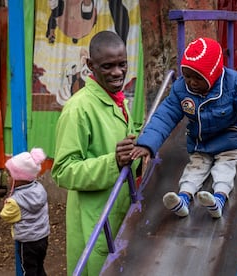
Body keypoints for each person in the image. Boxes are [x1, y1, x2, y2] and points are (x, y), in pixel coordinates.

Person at [130, 37, 237, 219]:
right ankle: (183, 199)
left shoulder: (233, 84)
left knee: (224, 169)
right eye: (187, 76)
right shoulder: (181, 89)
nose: (192, 82)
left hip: (228, 140)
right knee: (194, 169)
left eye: (197, 78)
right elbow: (164, 116)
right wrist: (147, 144)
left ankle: (218, 200)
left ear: (213, 73)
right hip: (201, 142)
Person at [52, 30, 141, 276]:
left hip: (120, 215)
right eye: (108, 66)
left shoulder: (117, 101)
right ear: (90, 65)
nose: (117, 72)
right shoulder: (78, 109)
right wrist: (112, 162)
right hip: (94, 222)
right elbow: (62, 171)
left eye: (122, 64)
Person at [0, 148, 50, 276]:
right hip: (43, 238)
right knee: (39, 267)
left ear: (19, 178)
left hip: (27, 242)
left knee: (28, 270)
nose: (8, 178)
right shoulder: (39, 189)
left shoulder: (15, 201)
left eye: (10, 175)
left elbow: (6, 216)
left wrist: (8, 202)